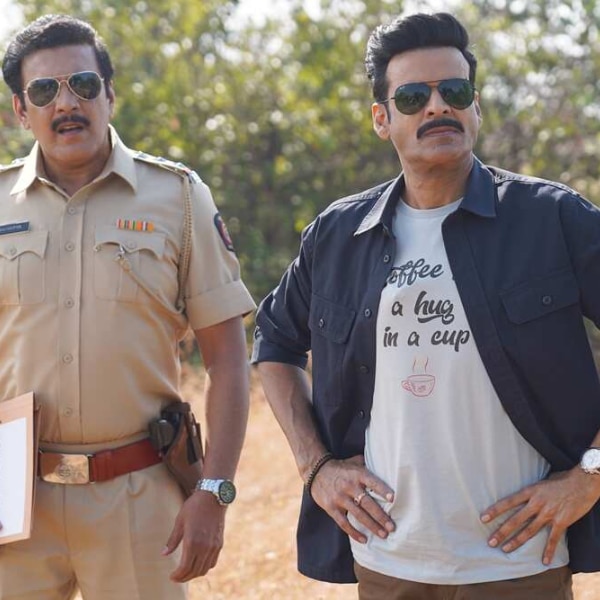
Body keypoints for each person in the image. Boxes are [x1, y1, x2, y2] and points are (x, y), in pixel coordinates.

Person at [252, 11, 600, 600]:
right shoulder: (337, 236)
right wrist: (316, 468)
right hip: (387, 562)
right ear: (381, 119)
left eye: (454, 92)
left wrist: (591, 474)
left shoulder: (552, 219)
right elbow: (274, 344)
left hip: (520, 564)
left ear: (476, 108)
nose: (438, 107)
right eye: (414, 97)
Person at [0, 14, 255, 600]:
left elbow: (227, 361)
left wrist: (214, 492)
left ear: (110, 95)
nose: (67, 103)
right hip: (15, 499)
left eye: (83, 84)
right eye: (45, 90)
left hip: (138, 495)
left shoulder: (178, 197)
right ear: (21, 111)